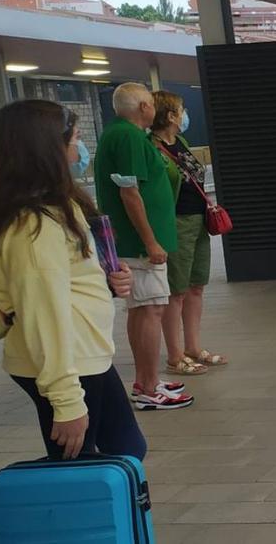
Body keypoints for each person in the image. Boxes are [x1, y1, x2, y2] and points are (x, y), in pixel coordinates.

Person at [0, 100, 146, 458]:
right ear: (47, 148)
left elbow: (67, 279)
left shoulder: (57, 204)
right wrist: (67, 402)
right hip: (67, 362)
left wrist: (105, 280)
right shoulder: (34, 226)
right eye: (73, 137)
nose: (79, 144)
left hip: (84, 353)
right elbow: (43, 313)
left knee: (126, 449)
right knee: (79, 471)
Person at [94, 83, 194, 410]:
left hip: (136, 242)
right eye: (151, 103)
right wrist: (151, 241)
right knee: (151, 309)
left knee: (141, 310)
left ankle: (145, 379)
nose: (154, 108)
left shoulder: (122, 134)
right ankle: (149, 388)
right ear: (141, 107)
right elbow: (130, 192)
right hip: (139, 245)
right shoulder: (129, 137)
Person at [149, 90, 226, 381]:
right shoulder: (152, 147)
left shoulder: (179, 142)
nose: (184, 115)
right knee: (176, 290)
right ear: (169, 115)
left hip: (198, 220)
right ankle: (174, 354)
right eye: (181, 110)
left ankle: (193, 347)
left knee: (196, 285)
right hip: (176, 222)